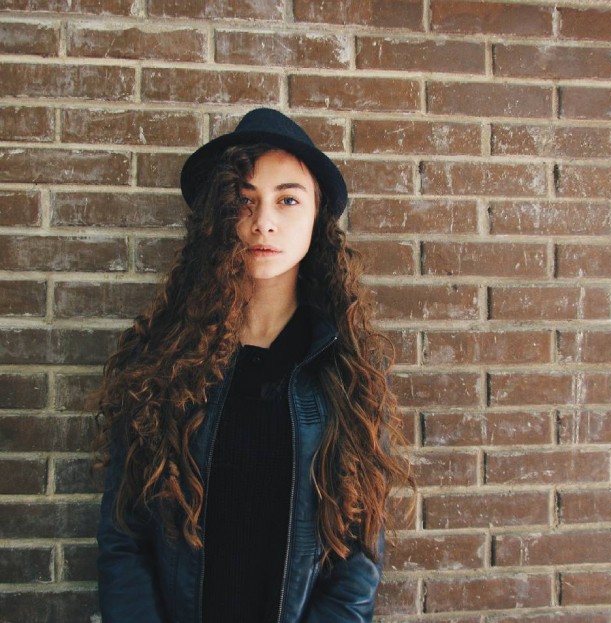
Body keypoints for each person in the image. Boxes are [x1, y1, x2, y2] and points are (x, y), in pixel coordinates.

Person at [94, 107, 413, 623]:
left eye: (288, 199)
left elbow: (358, 560)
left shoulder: (348, 369)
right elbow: (124, 538)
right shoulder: (162, 359)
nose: (263, 221)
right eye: (244, 200)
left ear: (317, 217)